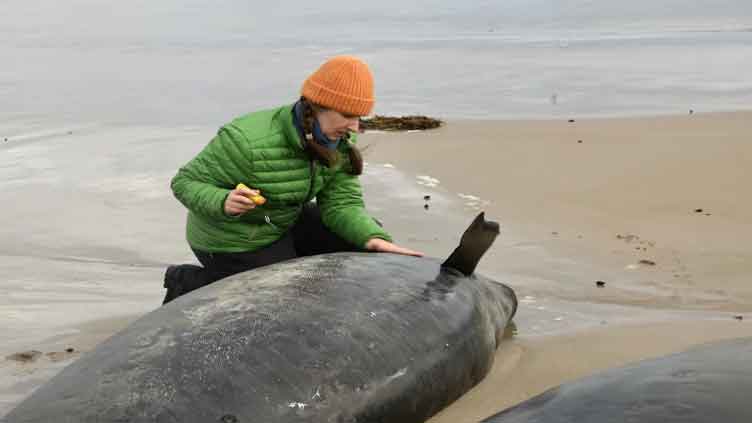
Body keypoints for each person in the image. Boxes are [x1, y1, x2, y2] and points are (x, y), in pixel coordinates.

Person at [163, 55, 423, 304]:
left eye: (359, 117)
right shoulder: (247, 141)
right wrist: (223, 201)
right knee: (285, 296)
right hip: (231, 238)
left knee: (360, 242)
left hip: (279, 220)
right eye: (346, 115)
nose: (354, 127)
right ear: (316, 107)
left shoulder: (339, 139)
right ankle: (189, 282)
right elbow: (184, 182)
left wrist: (372, 237)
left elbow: (342, 204)